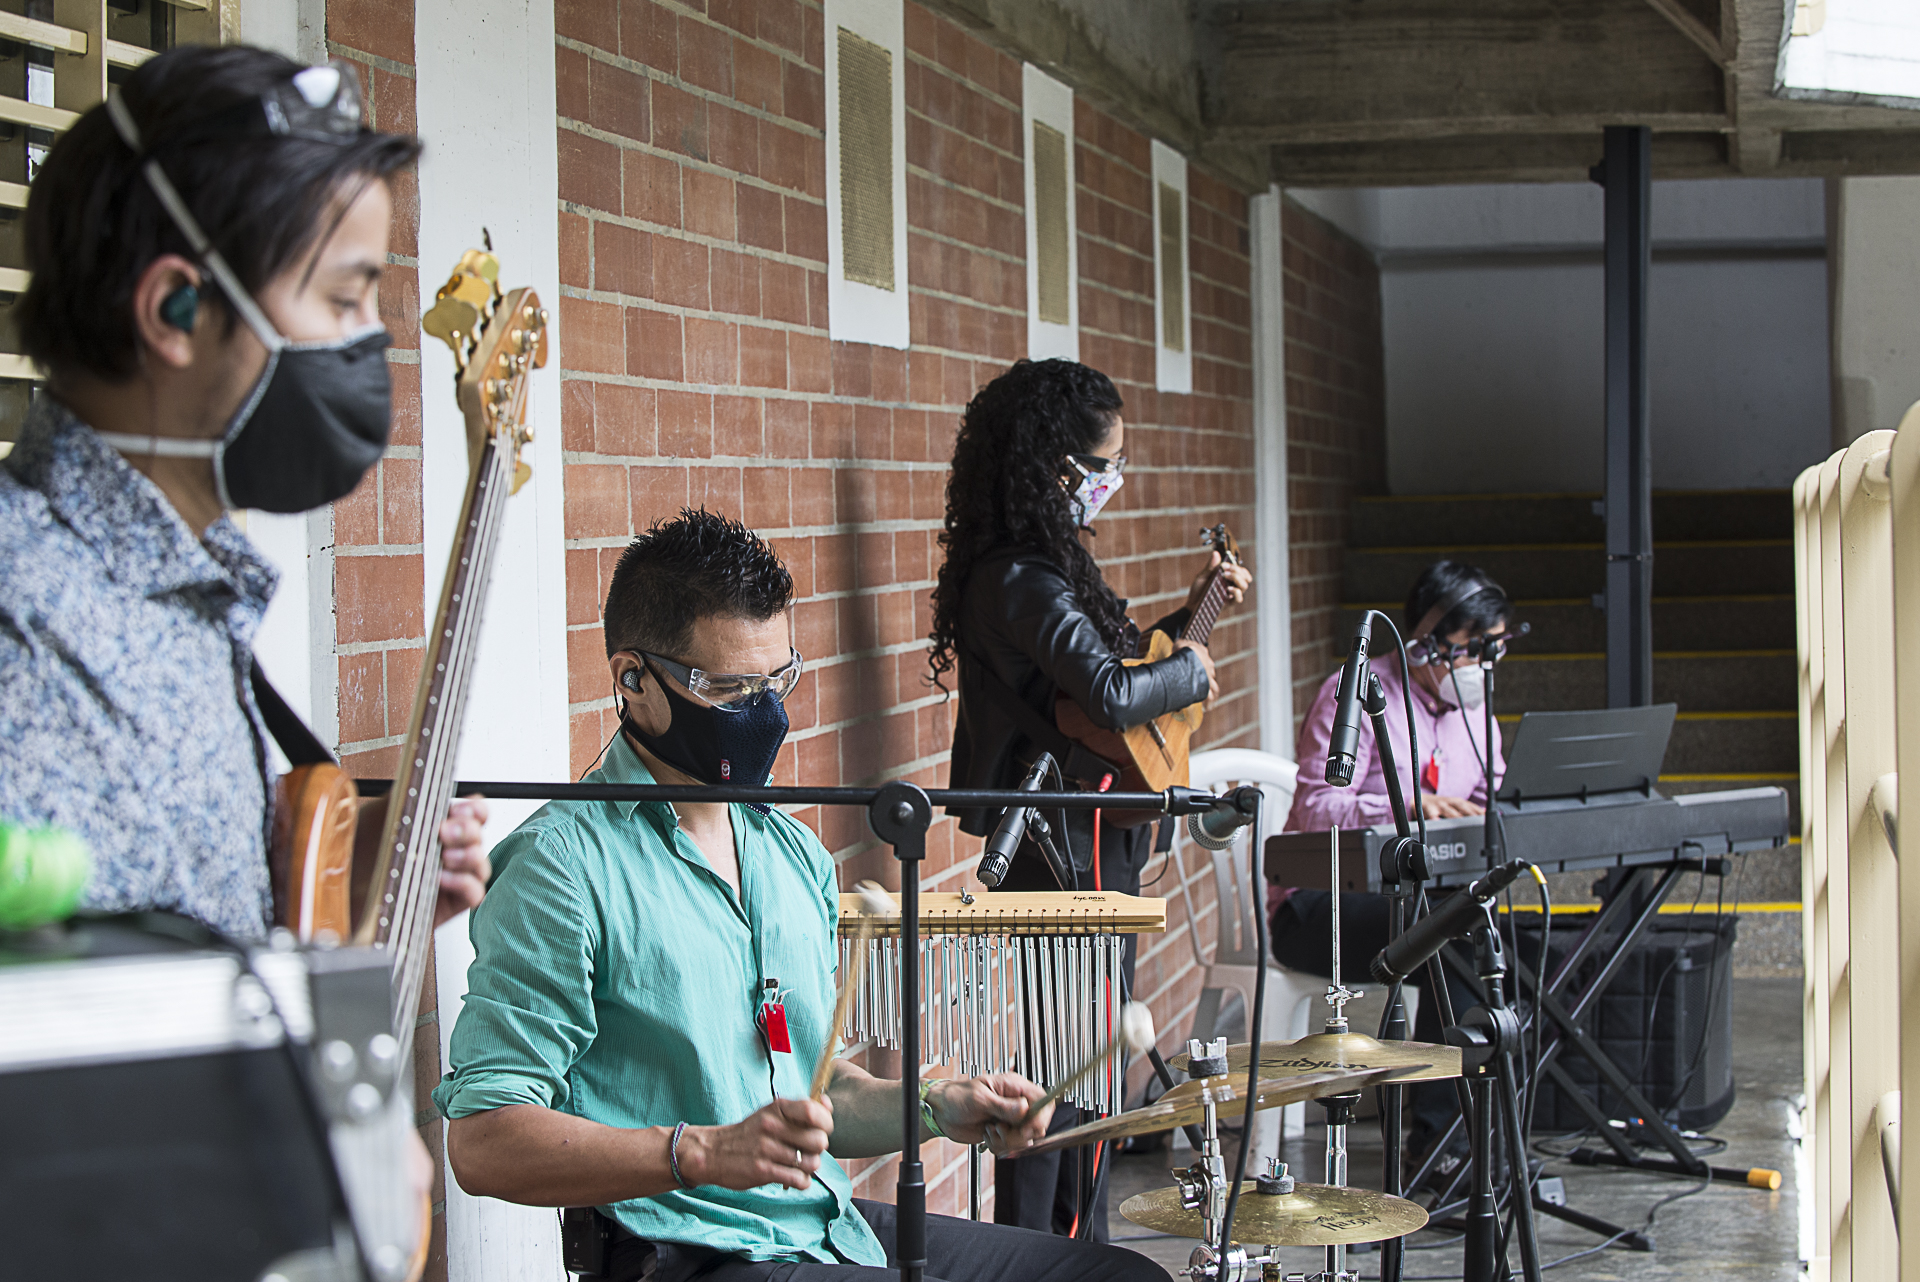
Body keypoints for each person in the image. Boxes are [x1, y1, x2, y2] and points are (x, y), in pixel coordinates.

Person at [434, 509, 1164, 1282]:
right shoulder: (562, 867)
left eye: (776, 679)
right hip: (691, 1255)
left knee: (1121, 1277)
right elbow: (482, 1141)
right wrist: (701, 1150)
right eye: (727, 687)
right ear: (632, 679)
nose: (763, 712)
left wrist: (937, 1105)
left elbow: (818, 1092)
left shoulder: (789, 853)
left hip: (819, 1224)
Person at [0, 44, 490, 939]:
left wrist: (325, 885)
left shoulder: (188, 586)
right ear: (174, 312)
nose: (371, 343)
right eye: (344, 301)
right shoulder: (22, 613)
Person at [928, 358, 1250, 1238]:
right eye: (1104, 465)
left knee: (1094, 1064)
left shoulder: (1047, 565)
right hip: (1050, 839)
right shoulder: (1017, 579)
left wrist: (1192, 619)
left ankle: (1084, 1245)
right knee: (1059, 1071)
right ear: (1057, 470)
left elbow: (1103, 697)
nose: (1114, 481)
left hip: (1090, 828)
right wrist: (1188, 669)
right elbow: (1110, 697)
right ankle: (1044, 1250)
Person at [1273, 559, 1512, 1176]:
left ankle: (1484, 1129)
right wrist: (1406, 807)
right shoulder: (1353, 690)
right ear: (1427, 640)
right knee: (1450, 927)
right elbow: (1313, 807)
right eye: (1467, 651)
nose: (1479, 667)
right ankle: (1439, 1145)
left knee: (1496, 927)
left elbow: (1492, 799)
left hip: (1420, 900)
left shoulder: (1475, 714)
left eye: (1494, 650)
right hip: (1319, 906)